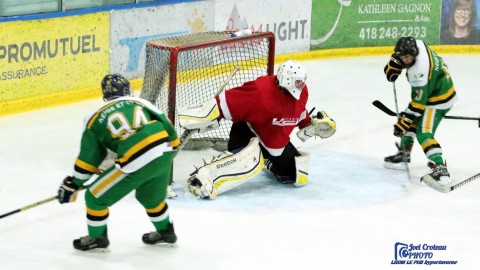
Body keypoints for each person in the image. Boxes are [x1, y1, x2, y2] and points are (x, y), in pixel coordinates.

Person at [177, 60, 336, 199]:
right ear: (287, 80)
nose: (301, 85)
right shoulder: (261, 92)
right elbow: (225, 103)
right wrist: (201, 117)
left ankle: (267, 160)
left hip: (273, 141)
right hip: (247, 132)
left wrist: (309, 124)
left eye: (302, 81)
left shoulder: (302, 92)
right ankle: (203, 177)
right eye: (297, 82)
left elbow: (296, 112)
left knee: (296, 175)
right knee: (251, 160)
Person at [57, 74, 180, 251]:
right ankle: (166, 231)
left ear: (104, 96)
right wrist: (166, 152)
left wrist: (74, 183)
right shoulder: (142, 103)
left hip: (136, 155)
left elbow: (89, 158)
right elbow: (169, 127)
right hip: (165, 148)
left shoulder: (93, 117)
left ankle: (96, 237)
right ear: (128, 90)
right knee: (150, 198)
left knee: (94, 197)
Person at [383, 36, 458, 185]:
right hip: (436, 88)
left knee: (423, 132)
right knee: (410, 120)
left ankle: (440, 167)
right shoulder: (418, 45)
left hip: (438, 100)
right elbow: (401, 56)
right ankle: (405, 152)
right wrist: (395, 61)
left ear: (414, 53)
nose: (406, 59)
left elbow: (419, 104)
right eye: (403, 57)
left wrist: (404, 121)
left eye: (408, 57)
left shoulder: (419, 72)